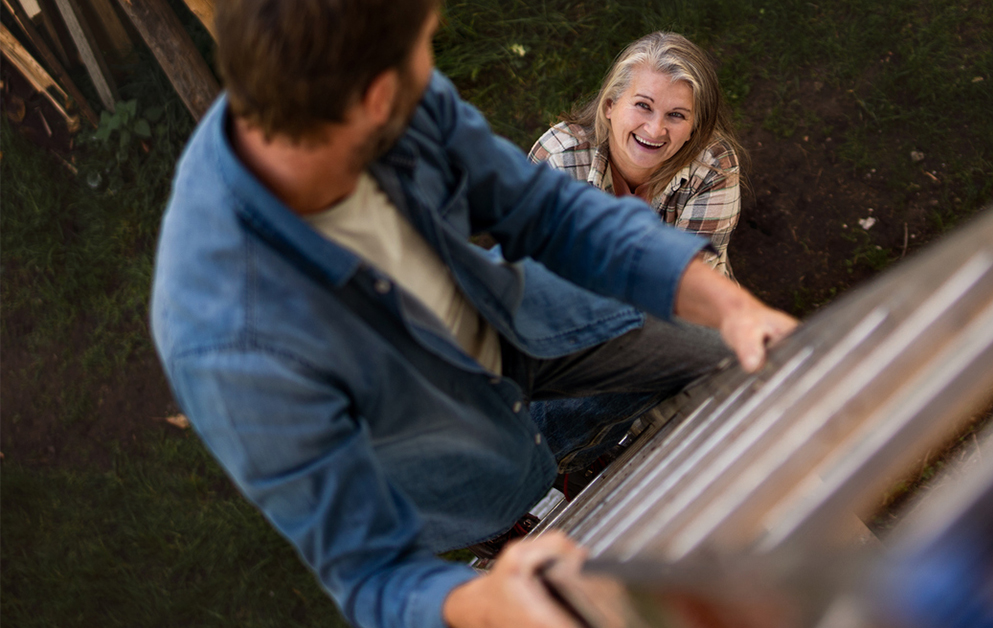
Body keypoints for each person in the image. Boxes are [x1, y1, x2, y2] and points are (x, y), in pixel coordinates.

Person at [149, 2, 797, 628]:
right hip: (433, 444)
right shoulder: (228, 343)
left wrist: (729, 306)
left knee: (714, 344)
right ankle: (517, 522)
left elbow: (542, 210)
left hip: (514, 320)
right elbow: (369, 569)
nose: (432, 82)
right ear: (369, 98)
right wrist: (486, 606)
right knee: (513, 498)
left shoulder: (379, 90)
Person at [530, 32, 744, 279]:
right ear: (610, 105)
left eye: (676, 115)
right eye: (643, 106)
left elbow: (684, 286)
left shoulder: (713, 168)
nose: (655, 130)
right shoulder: (556, 159)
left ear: (694, 128)